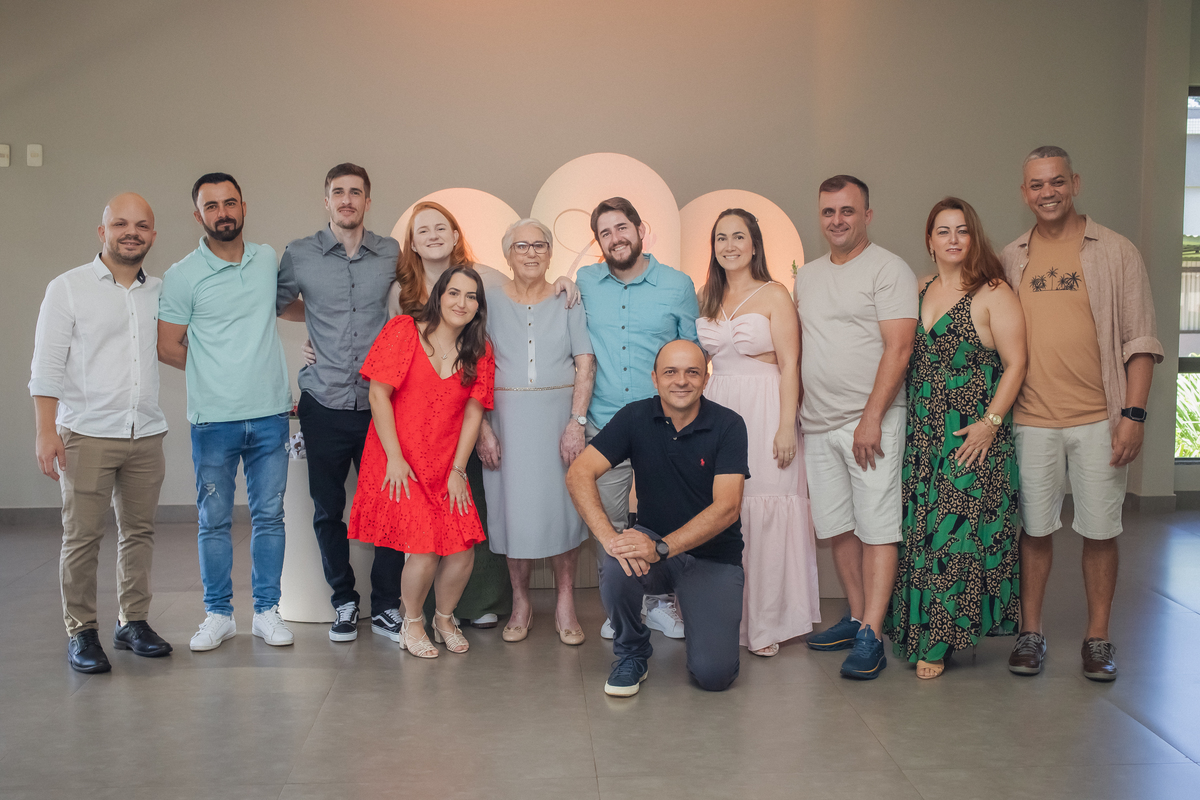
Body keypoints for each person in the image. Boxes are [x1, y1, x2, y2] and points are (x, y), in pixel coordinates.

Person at [1001, 147, 1162, 681]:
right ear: (1024, 193)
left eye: (1056, 182)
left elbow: (1141, 339)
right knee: (1034, 530)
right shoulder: (1011, 257)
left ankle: (1098, 638)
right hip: (1031, 420)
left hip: (1100, 419)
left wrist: (1133, 414)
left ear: (1075, 182)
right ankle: (1031, 634)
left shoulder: (1116, 251)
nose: (1047, 193)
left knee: (1100, 530)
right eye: (1036, 185)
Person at [386, 201, 574, 629]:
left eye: (441, 227)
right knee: (423, 523)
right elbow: (389, 360)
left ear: (456, 235)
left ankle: (476, 603)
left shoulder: (485, 278)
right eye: (422, 230)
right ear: (411, 242)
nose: (433, 236)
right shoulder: (401, 291)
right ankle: (417, 615)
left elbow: (528, 287)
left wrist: (561, 281)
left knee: (474, 510)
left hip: (470, 412)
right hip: (419, 421)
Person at [30, 193, 173, 673]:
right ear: (102, 231)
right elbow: (47, 365)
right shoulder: (68, 288)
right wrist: (45, 431)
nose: (131, 233)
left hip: (145, 433)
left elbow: (187, 345)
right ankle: (81, 631)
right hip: (86, 433)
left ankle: (133, 622)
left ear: (152, 235)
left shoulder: (160, 291)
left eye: (141, 226)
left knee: (139, 533)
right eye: (120, 224)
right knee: (82, 537)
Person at [884, 197, 1026, 679]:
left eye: (962, 230)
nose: (952, 239)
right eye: (943, 231)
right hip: (924, 435)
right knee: (922, 535)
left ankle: (939, 642)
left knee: (956, 540)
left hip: (970, 436)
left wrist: (990, 423)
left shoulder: (993, 292)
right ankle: (923, 630)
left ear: (974, 237)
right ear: (929, 239)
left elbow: (1017, 364)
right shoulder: (920, 288)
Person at [158, 173, 295, 651]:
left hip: (271, 414)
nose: (222, 213)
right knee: (213, 521)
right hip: (213, 420)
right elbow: (167, 345)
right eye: (211, 206)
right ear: (198, 215)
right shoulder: (182, 275)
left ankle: (266, 612)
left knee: (269, 517)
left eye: (229, 203)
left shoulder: (266, 259)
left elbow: (285, 307)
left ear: (243, 207)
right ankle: (218, 614)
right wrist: (215, 373)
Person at [567, 340, 748, 694]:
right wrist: (609, 538)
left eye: (692, 372)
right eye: (670, 372)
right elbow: (579, 473)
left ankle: (698, 625)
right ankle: (632, 653)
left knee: (714, 676)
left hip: (712, 558)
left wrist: (662, 547)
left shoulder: (729, 425)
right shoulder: (635, 417)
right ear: (654, 378)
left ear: (706, 379)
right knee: (616, 562)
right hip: (654, 550)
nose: (681, 380)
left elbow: (727, 507)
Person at [275, 163, 406, 642]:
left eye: (355, 192)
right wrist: (314, 325)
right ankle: (344, 601)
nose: (346, 200)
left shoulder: (391, 253)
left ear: (368, 201)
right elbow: (277, 302)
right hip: (323, 401)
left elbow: (417, 301)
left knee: (389, 507)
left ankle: (387, 605)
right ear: (326, 200)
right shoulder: (300, 254)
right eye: (338, 192)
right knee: (328, 509)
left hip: (380, 404)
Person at [796, 175, 918, 679]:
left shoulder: (889, 269)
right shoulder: (807, 276)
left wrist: (870, 419)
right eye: (829, 211)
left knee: (877, 527)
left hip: (870, 424)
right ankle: (854, 616)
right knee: (838, 527)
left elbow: (900, 349)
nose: (837, 220)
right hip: (818, 424)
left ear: (867, 215)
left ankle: (872, 633)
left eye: (848, 210)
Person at [347, 267, 495, 658]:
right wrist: (395, 458)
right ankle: (411, 622)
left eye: (472, 296)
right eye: (454, 293)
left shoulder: (479, 350)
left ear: (479, 307)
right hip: (399, 460)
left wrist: (459, 470)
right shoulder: (404, 330)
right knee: (425, 548)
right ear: (438, 296)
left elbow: (474, 413)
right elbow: (378, 395)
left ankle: (443, 619)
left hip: (446, 464)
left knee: (463, 548)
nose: (462, 303)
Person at [696, 208, 819, 657]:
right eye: (721, 237)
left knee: (766, 506)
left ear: (754, 245)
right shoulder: (706, 296)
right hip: (718, 407)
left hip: (767, 409)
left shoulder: (775, 294)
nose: (729, 245)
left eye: (738, 237)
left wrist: (786, 426)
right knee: (724, 509)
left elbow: (791, 365)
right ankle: (727, 618)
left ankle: (767, 623)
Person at [576, 197, 700, 640]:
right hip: (606, 425)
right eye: (605, 232)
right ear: (598, 241)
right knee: (608, 523)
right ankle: (622, 606)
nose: (616, 238)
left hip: (664, 425)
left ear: (640, 229)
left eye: (622, 227)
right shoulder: (585, 281)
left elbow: (694, 353)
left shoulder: (677, 285)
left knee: (662, 519)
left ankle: (662, 602)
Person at [476, 219, 596, 645]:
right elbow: (472, 365)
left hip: (558, 420)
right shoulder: (487, 300)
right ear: (507, 255)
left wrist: (576, 423)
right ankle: (521, 602)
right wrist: (482, 428)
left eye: (540, 245)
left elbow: (585, 362)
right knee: (512, 512)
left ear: (550, 253)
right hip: (505, 421)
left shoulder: (568, 298)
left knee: (564, 510)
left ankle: (565, 601)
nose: (531, 253)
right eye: (521, 246)